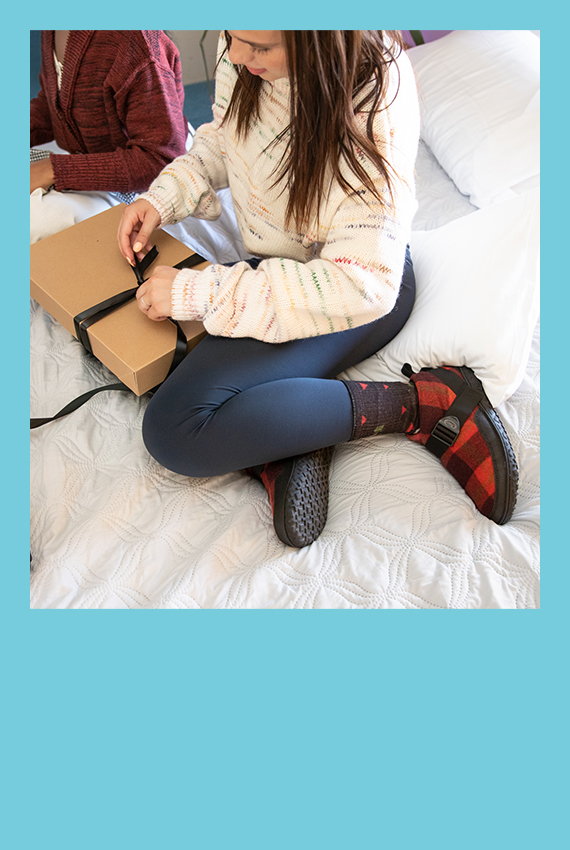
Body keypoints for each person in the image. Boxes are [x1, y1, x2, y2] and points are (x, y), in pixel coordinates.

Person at [117, 30, 518, 548]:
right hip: (281, 277)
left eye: (259, 48)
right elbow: (225, 137)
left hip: (354, 292)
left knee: (174, 429)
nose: (238, 56)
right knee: (174, 396)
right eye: (232, 36)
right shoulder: (245, 44)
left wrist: (201, 294)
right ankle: (299, 435)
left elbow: (363, 284)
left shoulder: (375, 99)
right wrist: (165, 197)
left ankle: (427, 404)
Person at [30, 30, 189, 242]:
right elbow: (54, 105)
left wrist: (52, 169)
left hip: (152, 184)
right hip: (90, 162)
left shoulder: (134, 40)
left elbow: (161, 159)